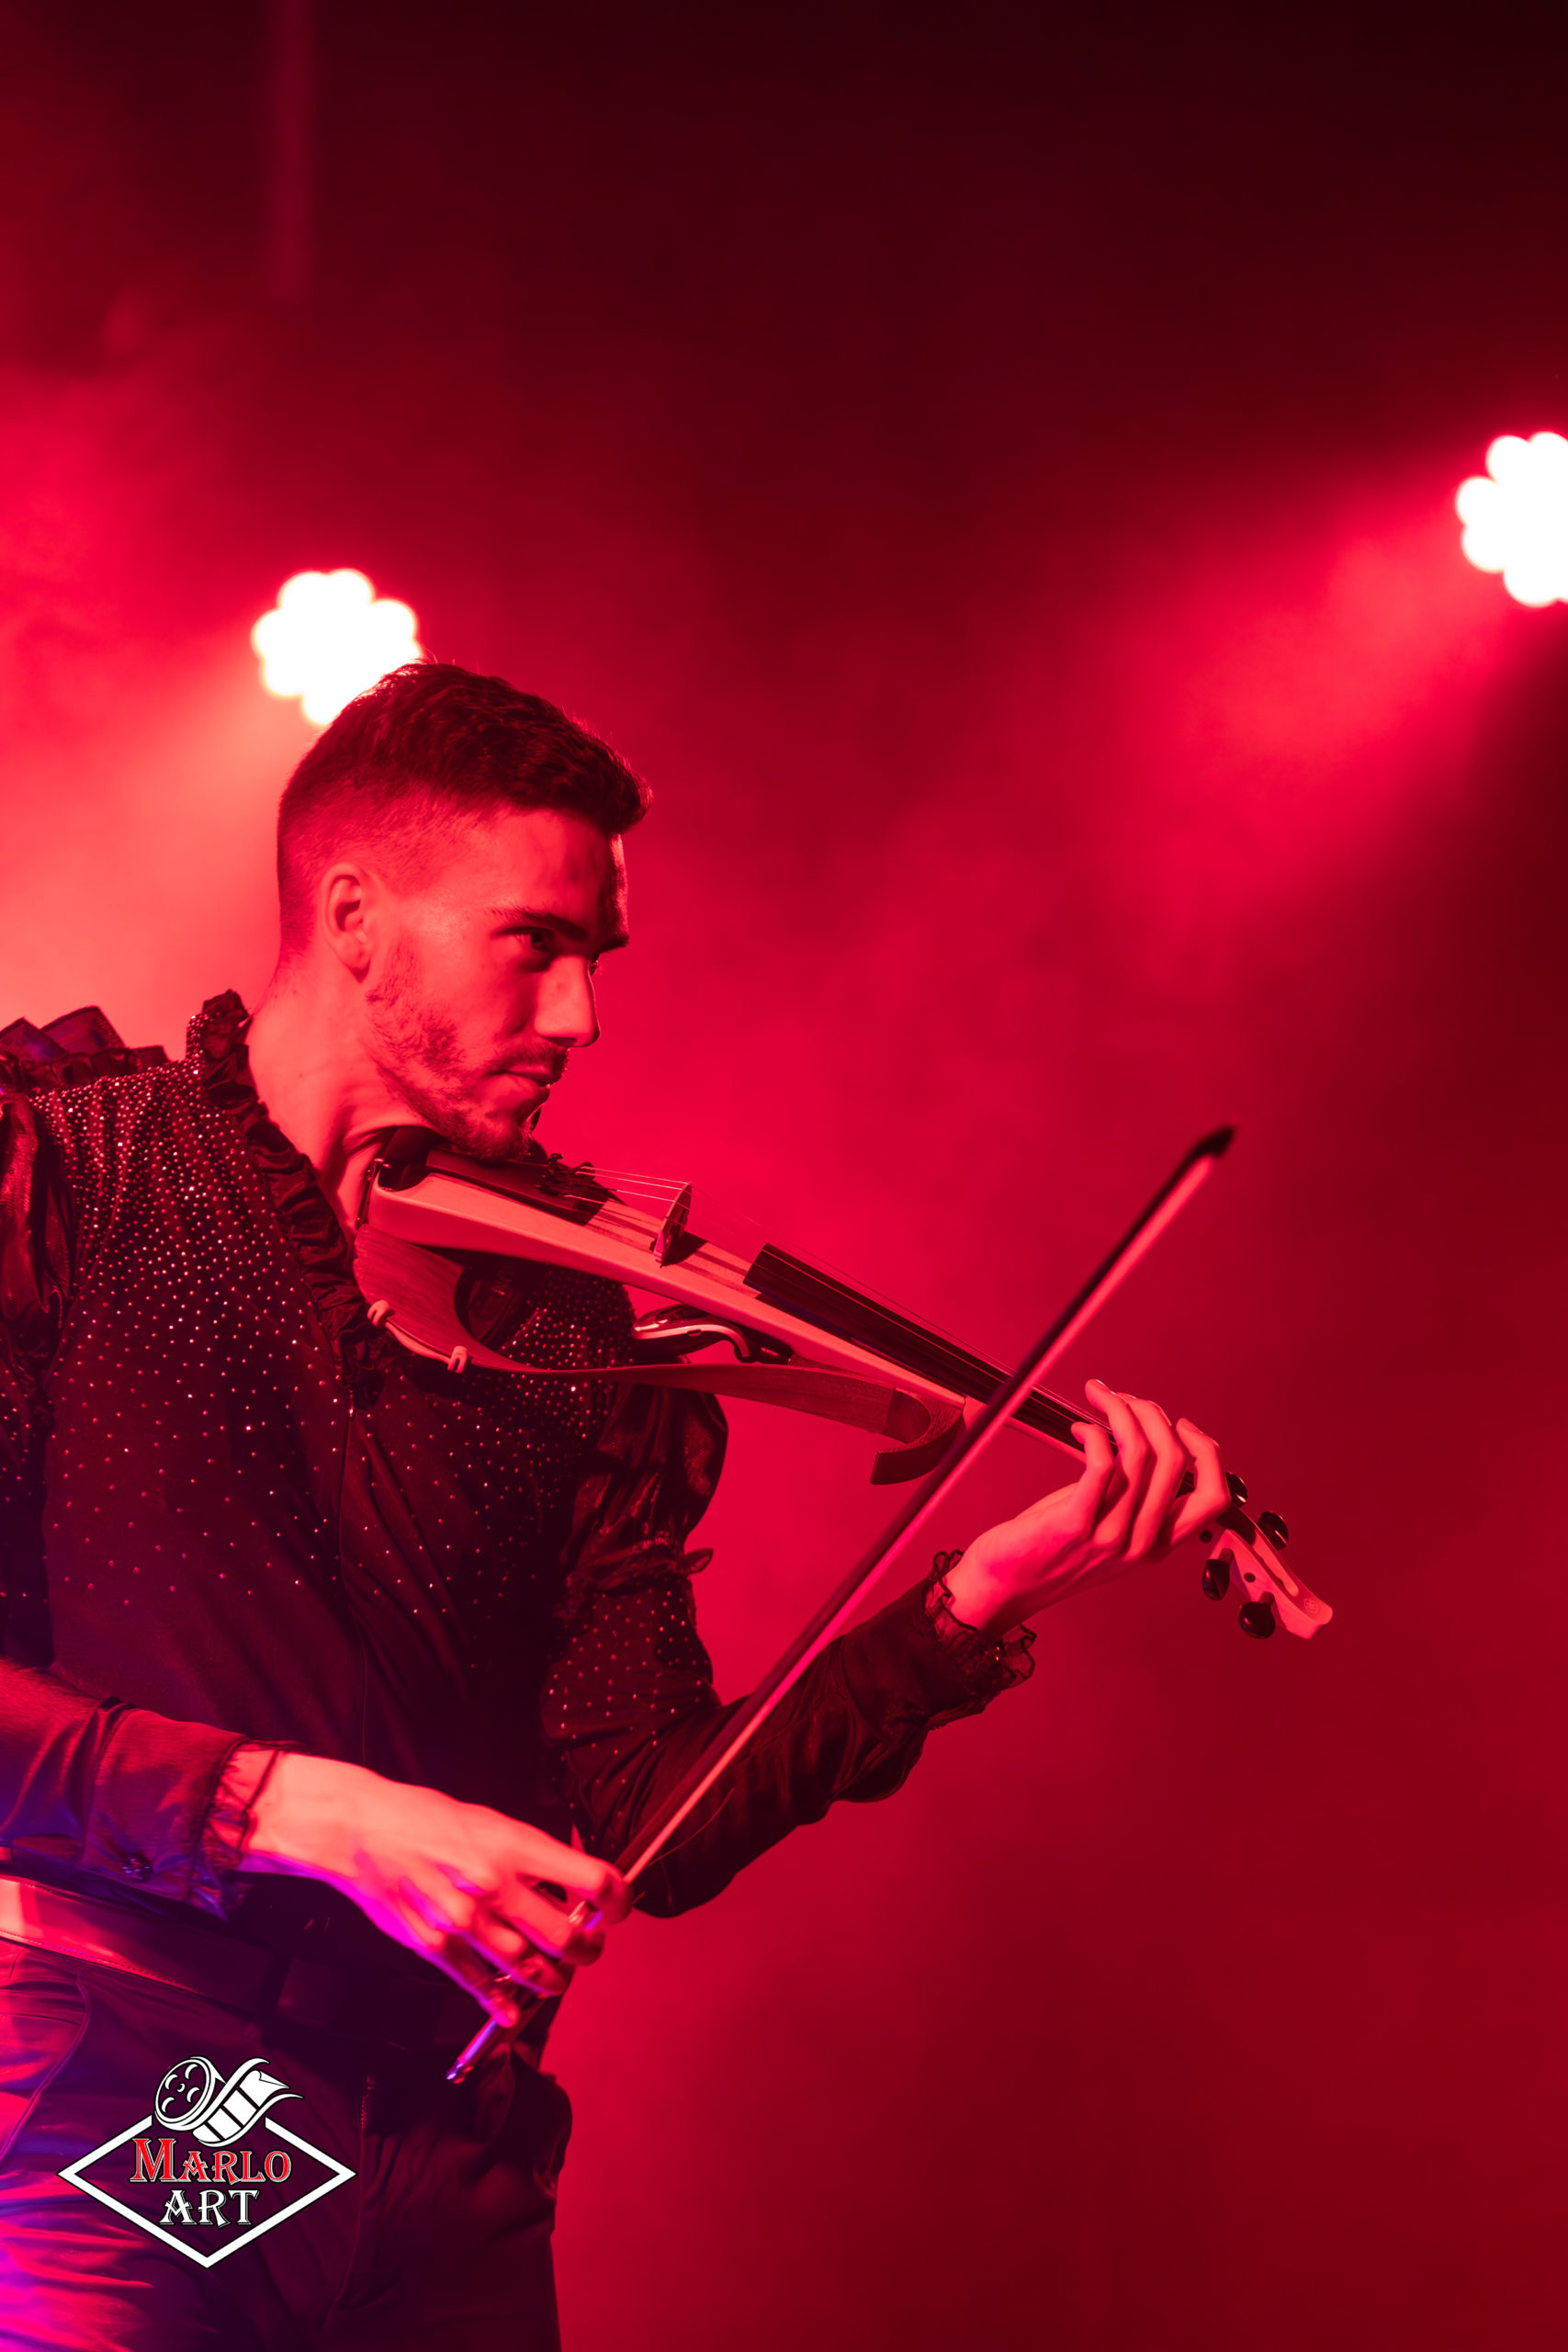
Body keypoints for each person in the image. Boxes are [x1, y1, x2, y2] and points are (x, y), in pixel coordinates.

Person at [0, 663, 1229, 2349]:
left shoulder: (564, 1325)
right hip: (160, 2082)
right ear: (355, 916)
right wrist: (292, 1810)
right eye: (537, 946)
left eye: (598, 960)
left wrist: (969, 1604)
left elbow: (647, 1810)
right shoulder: (67, 1181)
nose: (584, 1019)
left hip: (448, 2131)